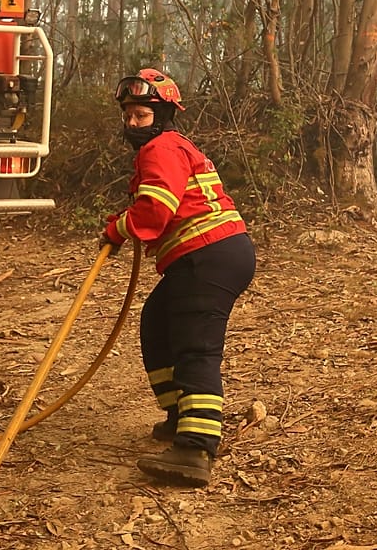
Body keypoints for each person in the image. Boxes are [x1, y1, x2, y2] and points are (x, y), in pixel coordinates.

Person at [100, 68, 257, 488]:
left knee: (195, 346)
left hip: (208, 256)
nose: (133, 124)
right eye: (129, 116)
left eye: (142, 116)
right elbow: (157, 203)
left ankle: (195, 448)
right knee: (157, 325)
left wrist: (117, 229)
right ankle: (179, 416)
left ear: (164, 115)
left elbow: (155, 210)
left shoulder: (161, 148)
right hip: (209, 255)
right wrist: (126, 219)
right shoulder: (167, 147)